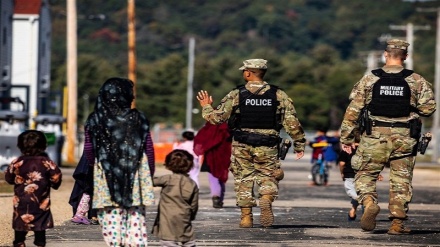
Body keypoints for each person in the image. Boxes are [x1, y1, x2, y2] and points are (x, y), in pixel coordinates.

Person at [340, 39, 436, 235]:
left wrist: (347, 138)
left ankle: (368, 202)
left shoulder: (369, 79)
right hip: (405, 138)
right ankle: (397, 224)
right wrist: (408, 105)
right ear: (406, 57)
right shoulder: (416, 80)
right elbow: (429, 108)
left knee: (365, 174)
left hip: (374, 136)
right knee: (401, 181)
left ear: (386, 54)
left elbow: (353, 111)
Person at [196, 58, 306, 228]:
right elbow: (292, 123)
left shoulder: (237, 94)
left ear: (248, 73)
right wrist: (299, 144)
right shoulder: (278, 95)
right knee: (268, 176)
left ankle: (246, 217)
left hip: (242, 143)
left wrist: (206, 106)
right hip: (268, 144)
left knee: (243, 179)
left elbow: (217, 119)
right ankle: (266, 198)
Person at [84, 77, 156, 246]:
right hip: (136, 173)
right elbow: (149, 148)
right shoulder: (138, 118)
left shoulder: (95, 119)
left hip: (106, 171)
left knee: (110, 219)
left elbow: (89, 148)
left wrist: (93, 167)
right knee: (135, 219)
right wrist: (149, 173)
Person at [4, 130, 63, 247]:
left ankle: (19, 243)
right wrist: (53, 184)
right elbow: (56, 178)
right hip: (40, 203)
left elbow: (9, 178)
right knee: (40, 229)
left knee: (20, 230)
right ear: (44, 145)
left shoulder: (17, 162)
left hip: (21, 203)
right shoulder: (47, 162)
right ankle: (40, 243)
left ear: (20, 145)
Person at [152, 149, 199, 247]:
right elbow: (194, 204)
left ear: (169, 164)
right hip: (184, 216)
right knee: (187, 239)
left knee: (168, 241)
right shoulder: (191, 183)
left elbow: (151, 182)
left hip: (167, 218)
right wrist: (191, 216)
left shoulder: (167, 179)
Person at [193, 122, 232, 208]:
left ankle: (216, 196)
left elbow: (199, 140)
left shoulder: (208, 128)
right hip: (224, 156)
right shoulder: (226, 128)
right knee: (221, 176)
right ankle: (219, 199)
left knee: (213, 177)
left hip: (211, 156)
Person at [68, 153, 99, 225]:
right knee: (88, 189)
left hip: (89, 160)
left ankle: (83, 214)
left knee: (87, 189)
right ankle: (82, 214)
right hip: (92, 161)